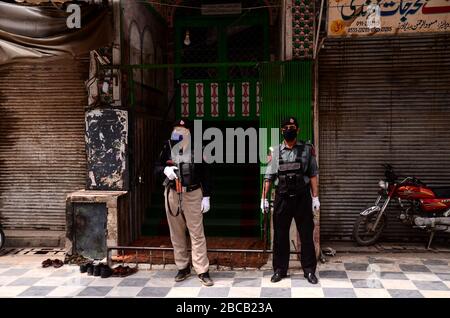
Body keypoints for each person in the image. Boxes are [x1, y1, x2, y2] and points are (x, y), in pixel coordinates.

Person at [261, 117, 320, 284]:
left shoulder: (307, 150)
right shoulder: (275, 152)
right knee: (280, 236)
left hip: (302, 197)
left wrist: (315, 197)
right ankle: (280, 270)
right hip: (282, 198)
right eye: (286, 127)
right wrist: (263, 198)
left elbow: (313, 175)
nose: (289, 129)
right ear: (281, 131)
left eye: (292, 127)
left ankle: (309, 271)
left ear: (298, 130)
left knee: (306, 235)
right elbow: (268, 177)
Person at [156, 119, 213, 286]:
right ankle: (182, 267)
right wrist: (164, 170)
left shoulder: (199, 149)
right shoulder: (167, 148)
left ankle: (202, 270)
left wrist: (207, 196)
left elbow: (207, 174)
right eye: (176, 129)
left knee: (197, 233)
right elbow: (155, 168)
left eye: (182, 129)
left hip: (193, 194)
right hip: (172, 193)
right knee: (177, 233)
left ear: (188, 132)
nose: (179, 132)